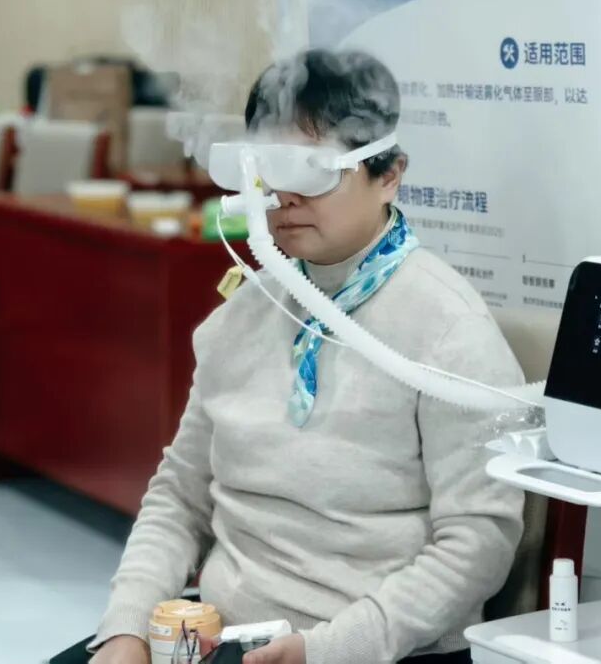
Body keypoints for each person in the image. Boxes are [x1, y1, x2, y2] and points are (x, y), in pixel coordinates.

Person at [88, 49, 526, 664]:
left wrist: (329, 649)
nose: (283, 195)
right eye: (268, 166)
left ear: (389, 174)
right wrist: (128, 627)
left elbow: (479, 542)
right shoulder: (247, 310)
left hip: (382, 649)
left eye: (313, 169)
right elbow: (181, 496)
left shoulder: (448, 331)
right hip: (224, 635)